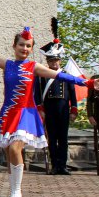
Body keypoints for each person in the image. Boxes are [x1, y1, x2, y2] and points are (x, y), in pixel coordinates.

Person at [0, 23, 99, 197]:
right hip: (9, 112)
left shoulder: (34, 67)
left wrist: (87, 82)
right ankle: (13, 190)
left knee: (16, 147)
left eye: (28, 46)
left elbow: (61, 76)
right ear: (14, 46)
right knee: (9, 153)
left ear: (31, 49)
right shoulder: (6, 64)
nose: (25, 48)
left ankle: (16, 193)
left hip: (26, 113)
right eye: (22, 45)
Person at [34, 39, 77, 175]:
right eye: (51, 61)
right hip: (50, 109)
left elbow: (72, 93)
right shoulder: (42, 76)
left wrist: (74, 109)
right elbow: (38, 95)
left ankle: (63, 165)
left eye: (56, 60)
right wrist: (41, 110)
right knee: (51, 138)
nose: (54, 63)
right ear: (48, 62)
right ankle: (54, 165)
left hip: (63, 108)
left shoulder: (66, 75)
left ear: (60, 61)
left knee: (63, 138)